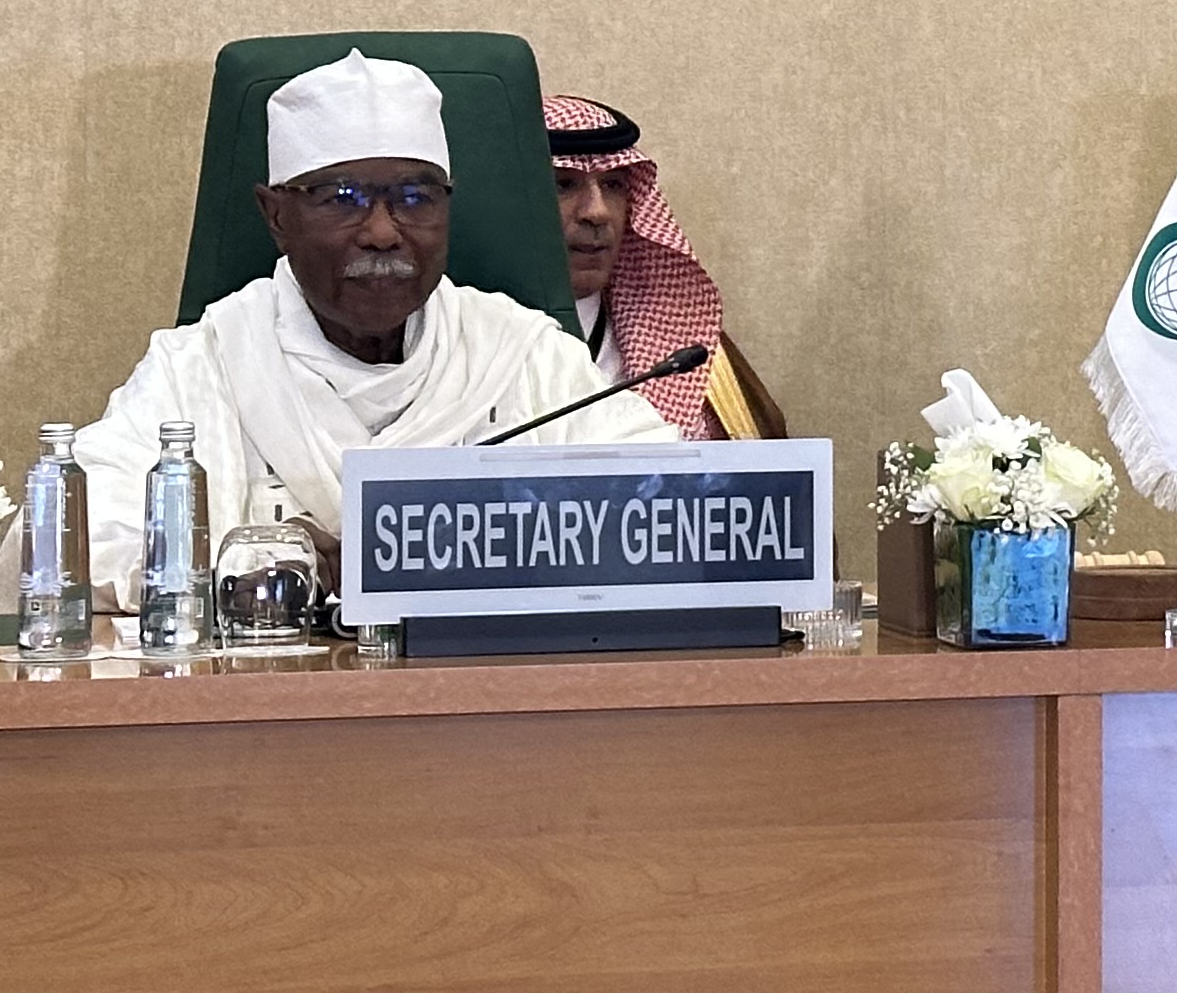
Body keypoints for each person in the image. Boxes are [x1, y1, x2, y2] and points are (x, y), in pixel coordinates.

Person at [77, 49, 667, 602]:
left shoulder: (520, 353)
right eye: (342, 198)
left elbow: (666, 503)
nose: (383, 233)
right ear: (276, 215)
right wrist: (268, 564)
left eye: (415, 198)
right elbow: (83, 541)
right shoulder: (203, 364)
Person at [543, 93, 789, 440]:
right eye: (563, 184)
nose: (597, 212)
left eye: (613, 185)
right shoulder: (469, 339)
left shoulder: (688, 354)